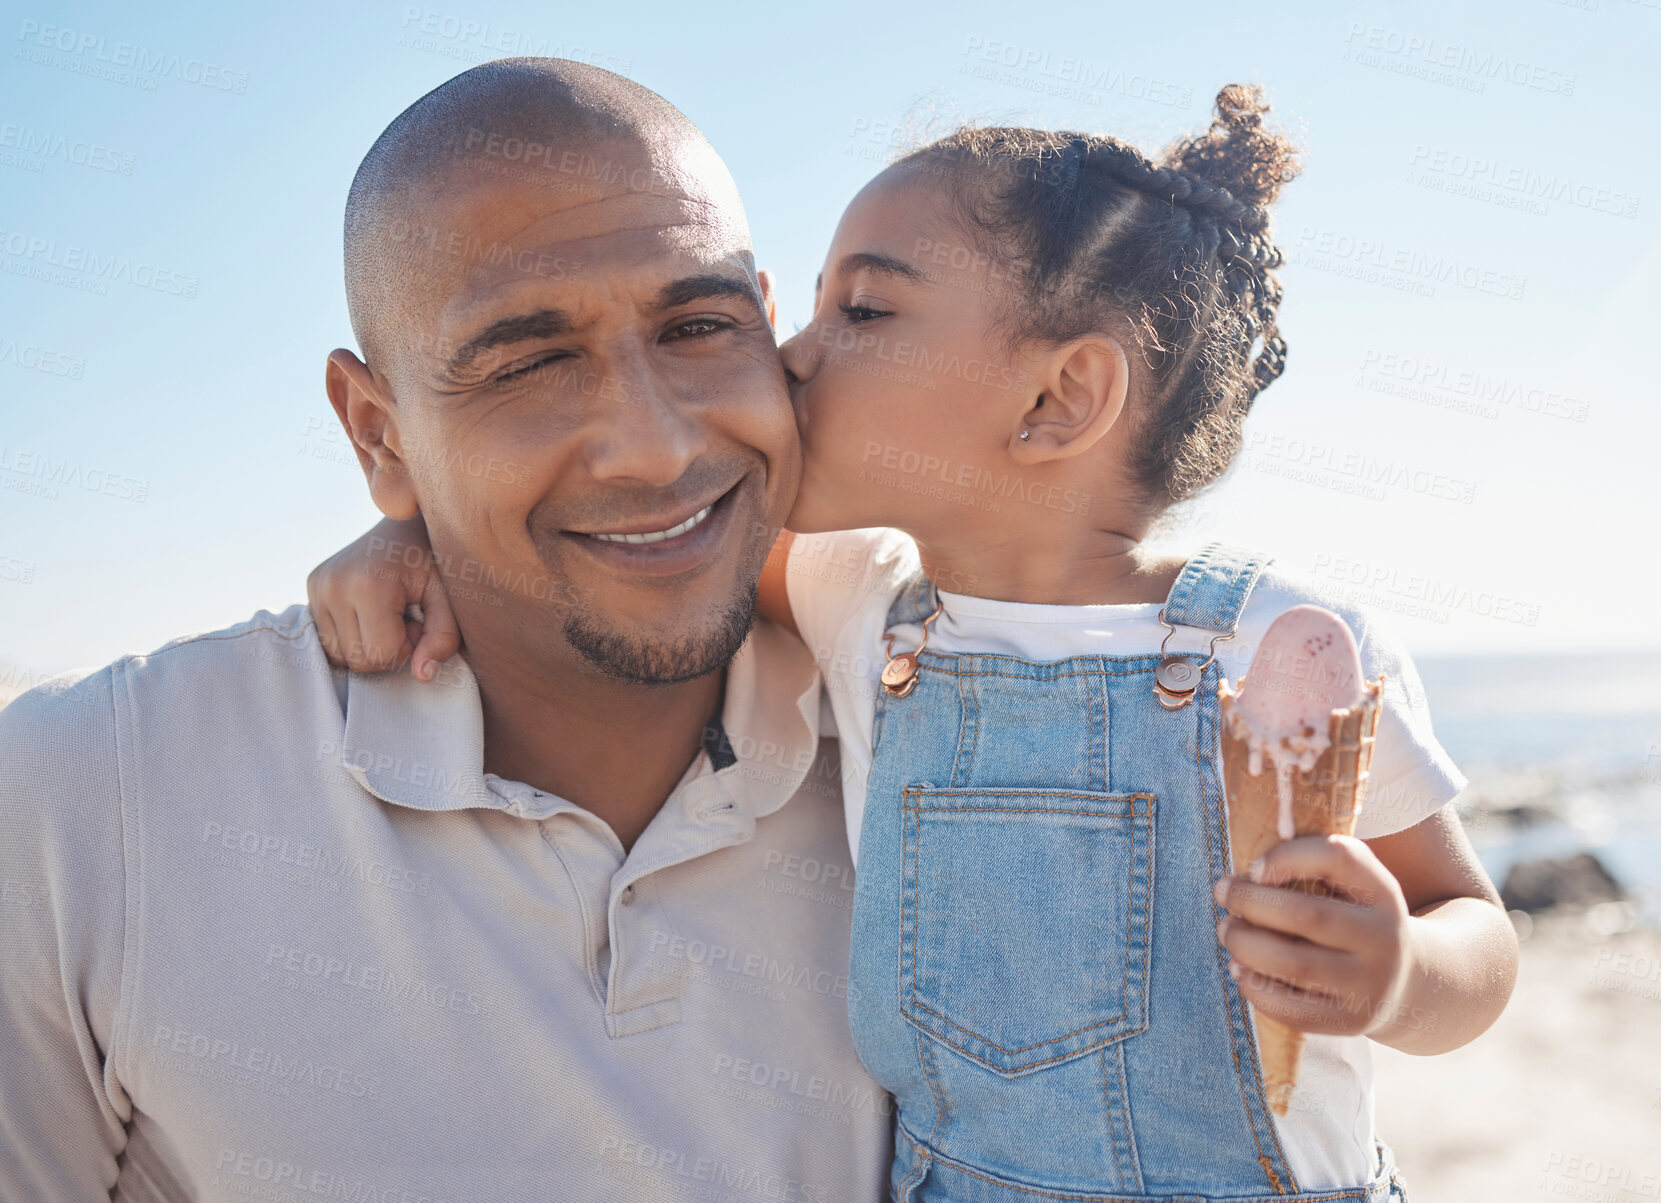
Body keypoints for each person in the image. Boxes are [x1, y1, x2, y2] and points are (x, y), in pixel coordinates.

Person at [311, 86, 1519, 1201]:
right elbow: (610, 556)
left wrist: (1403, 977)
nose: (787, 355)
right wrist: (420, 535)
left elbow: (1472, 927)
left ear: (1055, 401)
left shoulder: (1275, 644)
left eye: (863, 310)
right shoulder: (863, 600)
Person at [0, 59, 893, 1200]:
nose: (658, 447)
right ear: (377, 434)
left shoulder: (924, 754)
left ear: (769, 329)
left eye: (697, 327)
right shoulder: (89, 798)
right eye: (528, 363)